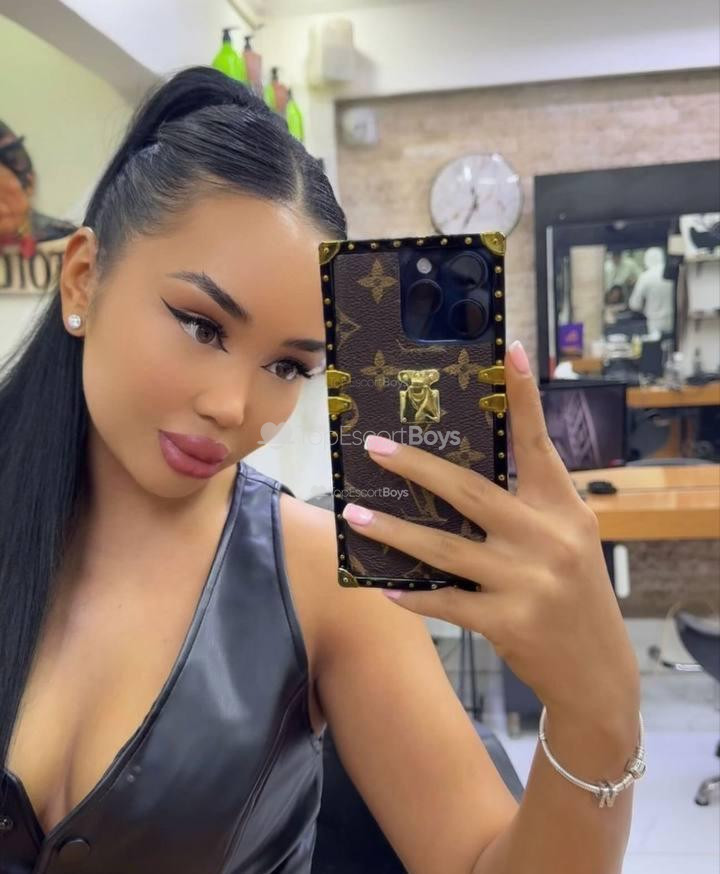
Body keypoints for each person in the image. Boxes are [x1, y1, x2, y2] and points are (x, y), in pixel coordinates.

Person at [0, 68, 641, 873]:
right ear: (83, 278)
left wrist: (599, 716)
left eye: (287, 367)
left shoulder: (324, 579)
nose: (233, 407)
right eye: (201, 326)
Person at [628, 247, 675, 336]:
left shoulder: (645, 277)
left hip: (654, 321)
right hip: (673, 319)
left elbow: (634, 305)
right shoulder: (671, 273)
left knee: (656, 342)